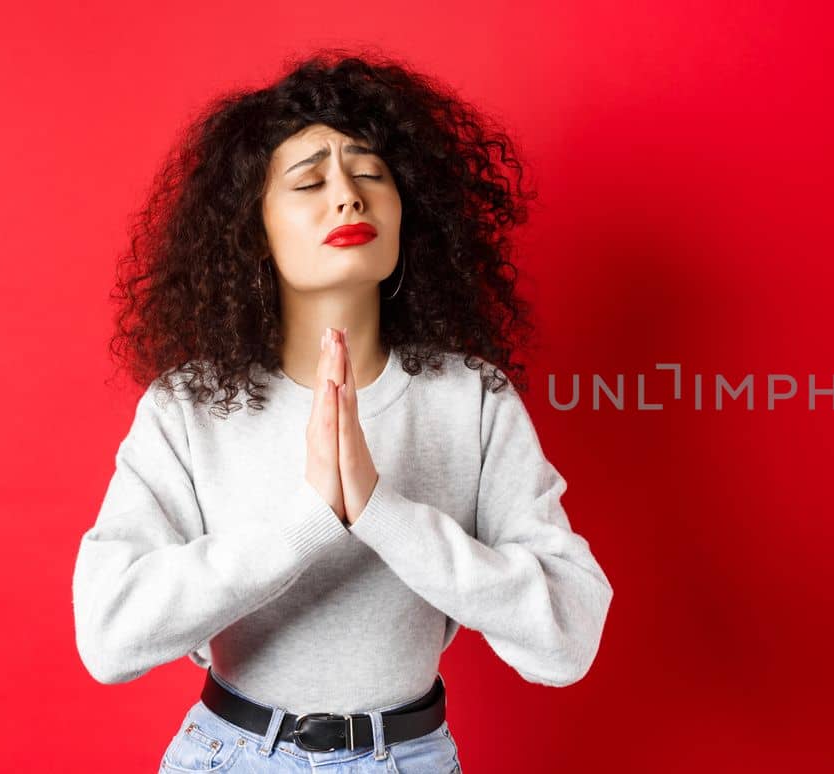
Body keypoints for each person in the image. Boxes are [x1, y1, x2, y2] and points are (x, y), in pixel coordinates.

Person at [70, 48, 614, 773]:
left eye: (369, 174)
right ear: (251, 228)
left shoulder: (473, 399)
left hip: (412, 757)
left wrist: (382, 512)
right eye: (308, 180)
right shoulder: (187, 408)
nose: (348, 197)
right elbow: (109, 639)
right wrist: (307, 523)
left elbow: (567, 638)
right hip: (230, 757)